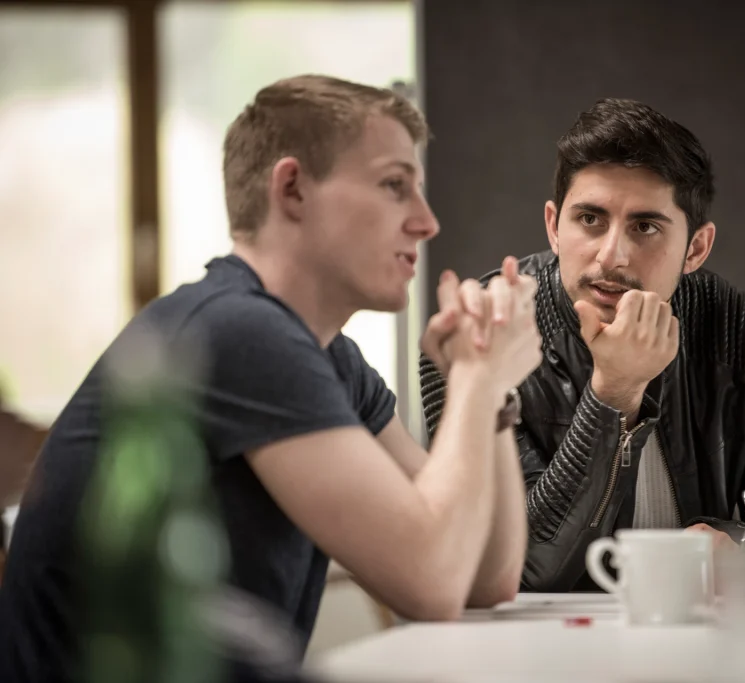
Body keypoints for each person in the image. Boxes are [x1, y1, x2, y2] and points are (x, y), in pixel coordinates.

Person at [0, 74, 542, 682]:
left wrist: (491, 389)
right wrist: (476, 372)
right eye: (395, 186)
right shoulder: (237, 331)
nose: (426, 222)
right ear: (292, 190)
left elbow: (484, 579)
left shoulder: (327, 356)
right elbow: (434, 581)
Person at [420, 98, 745, 592]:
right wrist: (614, 393)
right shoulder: (478, 338)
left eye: (645, 227)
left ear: (697, 248)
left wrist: (739, 547)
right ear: (554, 225)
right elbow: (521, 570)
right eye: (590, 219)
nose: (611, 255)